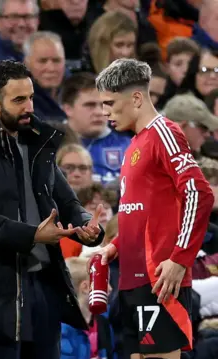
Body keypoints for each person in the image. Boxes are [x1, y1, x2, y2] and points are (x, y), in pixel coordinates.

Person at [0, 60, 105, 359]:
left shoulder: (35, 142)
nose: (29, 106)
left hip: (44, 283)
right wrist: (33, 235)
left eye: (31, 97)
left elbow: (67, 201)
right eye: (18, 100)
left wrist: (86, 225)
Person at [96, 58, 214, 359]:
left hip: (159, 277)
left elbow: (198, 192)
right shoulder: (136, 144)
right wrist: (117, 245)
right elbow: (142, 212)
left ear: (136, 97)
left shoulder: (164, 133)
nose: (105, 111)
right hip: (133, 277)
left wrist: (179, 258)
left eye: (110, 102)